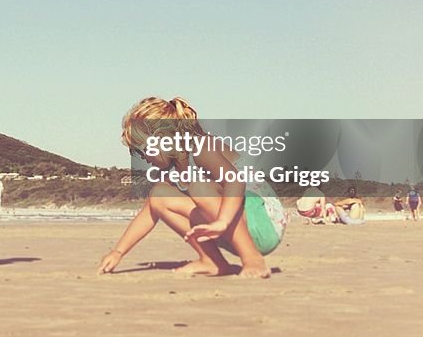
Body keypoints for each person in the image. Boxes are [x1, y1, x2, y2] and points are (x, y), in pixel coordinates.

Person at [97, 97, 286, 279]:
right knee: (159, 197)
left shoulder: (201, 147)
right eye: (135, 152)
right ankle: (212, 261)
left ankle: (252, 259)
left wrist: (222, 221)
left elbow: (235, 182)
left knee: (199, 186)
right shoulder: (170, 170)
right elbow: (149, 212)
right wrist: (118, 252)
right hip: (230, 226)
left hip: (263, 222)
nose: (142, 157)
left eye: (143, 150)